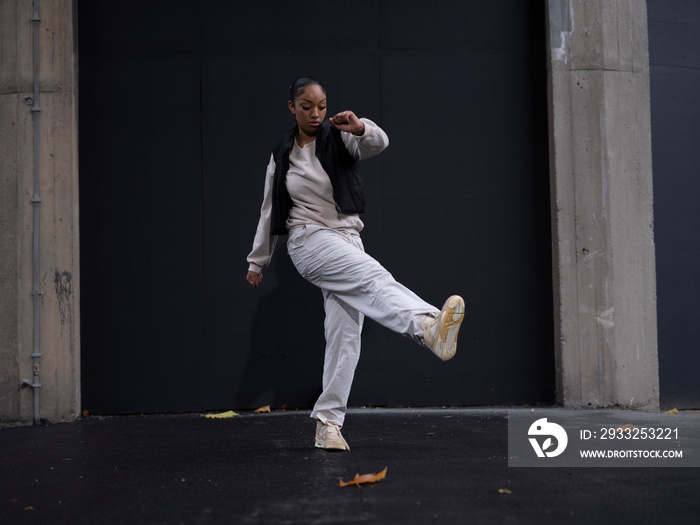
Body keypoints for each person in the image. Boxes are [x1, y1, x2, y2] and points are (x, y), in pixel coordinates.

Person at [246, 77, 464, 451]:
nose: (316, 114)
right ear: (291, 107)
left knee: (345, 334)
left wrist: (361, 127)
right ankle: (426, 326)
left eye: (322, 106)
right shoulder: (282, 152)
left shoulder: (339, 135)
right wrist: (258, 260)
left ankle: (328, 422)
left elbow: (379, 143)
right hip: (309, 241)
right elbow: (270, 207)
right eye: (307, 107)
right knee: (373, 277)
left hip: (347, 239)